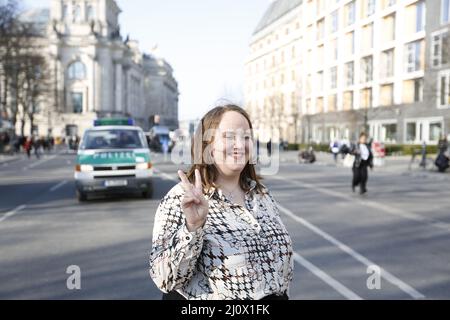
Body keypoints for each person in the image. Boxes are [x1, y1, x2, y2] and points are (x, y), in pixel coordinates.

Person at [149, 105, 294, 300]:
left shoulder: (262, 195)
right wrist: (192, 228)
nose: (240, 145)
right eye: (229, 137)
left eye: (246, 137)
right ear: (207, 146)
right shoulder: (181, 199)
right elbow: (165, 279)